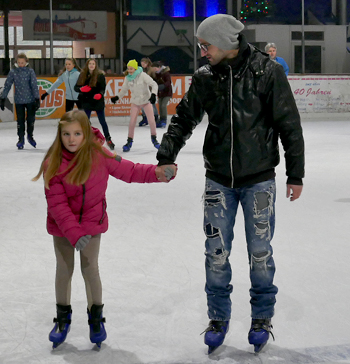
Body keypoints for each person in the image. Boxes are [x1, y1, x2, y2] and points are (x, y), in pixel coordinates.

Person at [156, 14, 305, 354]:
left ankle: (261, 317)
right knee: (216, 254)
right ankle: (218, 318)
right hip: (218, 180)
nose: (202, 52)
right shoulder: (206, 77)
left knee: (260, 253)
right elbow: (183, 118)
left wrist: (295, 174)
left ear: (225, 42)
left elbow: (289, 125)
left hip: (259, 181)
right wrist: (166, 155)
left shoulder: (268, 72)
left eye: (206, 45)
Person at [32, 109, 173, 349]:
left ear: (86, 133)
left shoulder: (100, 154)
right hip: (63, 228)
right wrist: (73, 233)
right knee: (64, 269)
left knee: (90, 269)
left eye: (77, 133)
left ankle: (96, 319)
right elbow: (57, 204)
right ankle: (62, 319)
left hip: (91, 225)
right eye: (66, 134)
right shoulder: (53, 162)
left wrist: (156, 173)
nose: (71, 139)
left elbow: (129, 170)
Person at [110, 60, 160, 152]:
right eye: (128, 69)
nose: (129, 70)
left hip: (146, 101)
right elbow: (124, 90)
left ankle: (154, 140)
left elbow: (154, 84)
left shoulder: (143, 75)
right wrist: (117, 97)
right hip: (135, 102)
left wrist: (153, 94)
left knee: (152, 121)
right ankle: (129, 142)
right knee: (132, 122)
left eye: (131, 69)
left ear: (135, 68)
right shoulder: (128, 78)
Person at [0, 53, 40, 149]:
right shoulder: (13, 72)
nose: (21, 64)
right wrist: (2, 98)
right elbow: (7, 85)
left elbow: (34, 85)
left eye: (22, 62)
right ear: (16, 62)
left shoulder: (30, 71)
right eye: (19, 62)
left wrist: (37, 98)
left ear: (26, 62)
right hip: (19, 101)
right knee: (20, 121)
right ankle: (20, 139)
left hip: (30, 100)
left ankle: (30, 136)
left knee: (30, 120)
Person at [74, 58, 115, 150]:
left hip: (97, 101)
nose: (91, 65)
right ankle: (86, 139)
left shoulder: (100, 75)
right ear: (87, 65)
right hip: (86, 101)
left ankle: (108, 138)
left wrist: (100, 95)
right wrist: (80, 89)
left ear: (96, 65)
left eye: (93, 64)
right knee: (86, 121)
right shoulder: (83, 75)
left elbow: (102, 88)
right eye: (90, 64)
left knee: (102, 121)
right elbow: (76, 87)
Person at [150, 61, 173, 128]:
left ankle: (164, 119)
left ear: (159, 67)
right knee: (160, 106)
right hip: (160, 93)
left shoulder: (166, 73)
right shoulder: (156, 74)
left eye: (155, 68)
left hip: (167, 93)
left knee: (163, 105)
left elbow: (168, 82)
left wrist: (163, 86)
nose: (154, 70)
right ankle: (161, 119)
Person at [139, 57, 159, 127]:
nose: (142, 65)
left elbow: (154, 79)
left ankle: (156, 117)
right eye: (141, 64)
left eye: (143, 63)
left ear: (147, 63)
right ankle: (145, 117)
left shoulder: (151, 70)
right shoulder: (142, 70)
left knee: (152, 104)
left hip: (150, 90)